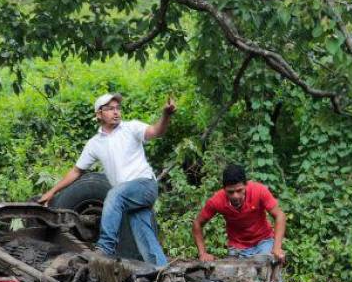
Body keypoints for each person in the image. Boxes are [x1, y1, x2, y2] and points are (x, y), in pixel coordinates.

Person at [39, 92, 175, 266]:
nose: (116, 112)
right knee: (146, 240)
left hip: (145, 185)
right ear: (99, 114)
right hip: (128, 197)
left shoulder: (131, 128)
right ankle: (163, 273)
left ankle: (105, 248)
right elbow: (76, 171)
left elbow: (156, 131)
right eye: (110, 109)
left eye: (118, 108)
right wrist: (51, 192)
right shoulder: (95, 144)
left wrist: (165, 115)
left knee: (114, 194)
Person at [192, 163, 286, 264]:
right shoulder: (217, 201)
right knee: (235, 278)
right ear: (224, 189)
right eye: (230, 192)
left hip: (263, 242)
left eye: (239, 190)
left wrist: (277, 248)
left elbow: (280, 215)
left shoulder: (259, 191)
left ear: (246, 185)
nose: (235, 196)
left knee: (269, 274)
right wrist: (202, 253)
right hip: (237, 248)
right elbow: (197, 223)